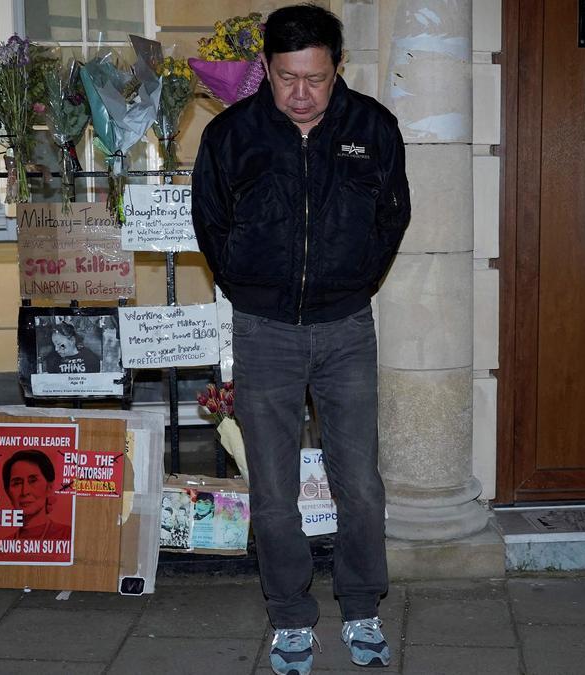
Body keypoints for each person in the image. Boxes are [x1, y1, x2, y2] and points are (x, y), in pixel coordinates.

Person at [192, 5, 409, 673]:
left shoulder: (371, 128)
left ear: (336, 67)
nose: (302, 94)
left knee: (361, 484)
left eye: (315, 78)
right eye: (287, 78)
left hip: (345, 327)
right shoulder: (233, 135)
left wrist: (354, 282)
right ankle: (289, 614)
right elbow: (210, 220)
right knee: (273, 489)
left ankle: (362, 602)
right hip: (264, 330)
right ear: (267, 68)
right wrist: (249, 284)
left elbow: (392, 215)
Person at [3, 450, 73, 541]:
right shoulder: (1, 546)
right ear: (8, 492)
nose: (25, 492)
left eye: (33, 481)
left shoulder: (68, 536)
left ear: (49, 487)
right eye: (17, 483)